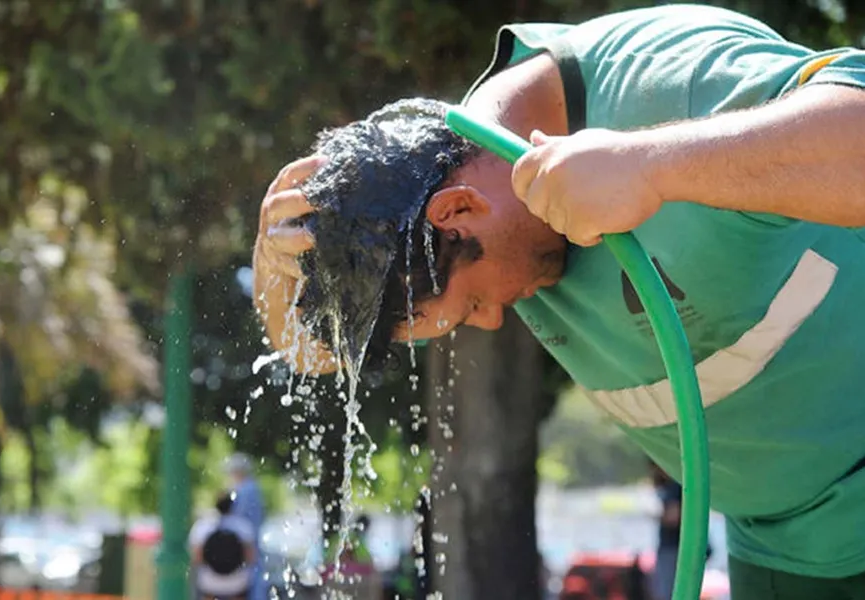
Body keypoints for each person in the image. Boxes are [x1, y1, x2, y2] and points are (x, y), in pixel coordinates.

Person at [252, 4, 865, 599]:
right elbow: (311, 357)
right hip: (787, 553)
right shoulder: (467, 215)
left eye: (469, 309)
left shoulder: (658, 75)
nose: (495, 320)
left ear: (460, 210)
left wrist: (655, 166)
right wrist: (273, 264)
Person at [189, 493, 256, 600]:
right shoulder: (243, 526)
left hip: (209, 583)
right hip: (238, 584)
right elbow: (251, 558)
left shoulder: (202, 526)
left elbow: (196, 558)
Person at [225, 453, 267, 600]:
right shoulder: (252, 488)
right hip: (251, 541)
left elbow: (238, 517)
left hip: (246, 542)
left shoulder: (244, 490)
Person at [649, 463, 682, 600]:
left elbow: (673, 517)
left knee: (667, 592)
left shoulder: (675, 486)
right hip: (672, 547)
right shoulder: (673, 485)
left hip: (673, 548)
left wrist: (652, 516)